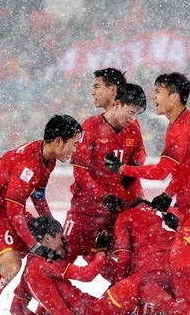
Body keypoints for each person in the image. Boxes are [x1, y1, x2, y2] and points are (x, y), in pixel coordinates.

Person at [104, 72, 190, 314]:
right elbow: (183, 169)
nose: (152, 96)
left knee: (179, 260)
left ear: (174, 97)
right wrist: (169, 193)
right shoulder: (178, 124)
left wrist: (123, 168)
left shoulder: (183, 129)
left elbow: (163, 170)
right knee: (186, 261)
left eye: (157, 91)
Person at [0, 115, 83, 315]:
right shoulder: (28, 165)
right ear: (58, 141)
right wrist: (33, 245)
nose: (75, 150)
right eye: (73, 144)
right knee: (12, 265)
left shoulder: (48, 159)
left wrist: (53, 228)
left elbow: (38, 197)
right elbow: (13, 210)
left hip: (10, 210)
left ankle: (19, 307)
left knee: (52, 245)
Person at [63, 83, 147, 269]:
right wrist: (103, 195)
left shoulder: (133, 128)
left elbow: (139, 157)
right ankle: (34, 295)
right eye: (130, 112)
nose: (132, 118)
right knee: (61, 259)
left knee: (127, 264)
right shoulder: (90, 127)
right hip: (86, 209)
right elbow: (80, 172)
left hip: (117, 209)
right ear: (117, 103)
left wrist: (137, 190)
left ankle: (121, 296)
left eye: (136, 115)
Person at [9, 217, 108, 315]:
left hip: (85, 308)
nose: (62, 242)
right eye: (60, 237)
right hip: (90, 310)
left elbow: (16, 308)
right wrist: (102, 251)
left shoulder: (30, 265)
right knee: (121, 289)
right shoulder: (45, 262)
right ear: (47, 238)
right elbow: (87, 274)